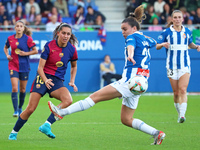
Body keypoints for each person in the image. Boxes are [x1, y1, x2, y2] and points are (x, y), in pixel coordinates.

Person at [48, 5, 166, 145]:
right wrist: (164, 44)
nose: (123, 32)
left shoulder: (132, 37)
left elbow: (130, 47)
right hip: (140, 83)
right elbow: (156, 44)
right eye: (122, 29)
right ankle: (157, 133)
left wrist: (130, 55)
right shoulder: (146, 38)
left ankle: (61, 113)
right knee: (126, 119)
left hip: (130, 81)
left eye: (124, 29)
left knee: (94, 97)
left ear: (133, 28)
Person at [8, 23, 78, 140]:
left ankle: (47, 125)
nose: (66, 36)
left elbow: (74, 66)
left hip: (56, 80)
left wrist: (72, 81)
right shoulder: (49, 46)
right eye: (64, 33)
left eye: (68, 34)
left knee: (68, 100)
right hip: (42, 77)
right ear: (58, 33)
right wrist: (45, 80)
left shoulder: (72, 49)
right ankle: (13, 133)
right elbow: (40, 68)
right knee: (31, 108)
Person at [156, 10, 200, 123]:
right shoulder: (166, 32)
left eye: (179, 17)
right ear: (172, 19)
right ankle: (179, 113)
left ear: (182, 18)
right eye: (175, 17)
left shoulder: (187, 31)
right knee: (176, 93)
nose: (177, 19)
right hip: (171, 66)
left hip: (185, 65)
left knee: (183, 90)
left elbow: (189, 43)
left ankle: (182, 115)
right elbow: (157, 45)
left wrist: (196, 47)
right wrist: (162, 44)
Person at [4, 20, 38, 117]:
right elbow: (5, 48)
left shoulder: (28, 39)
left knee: (22, 89)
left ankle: (20, 107)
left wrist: (26, 53)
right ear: (15, 28)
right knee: (15, 88)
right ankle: (15, 111)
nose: (19, 28)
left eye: (21, 26)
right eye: (17, 26)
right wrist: (7, 55)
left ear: (23, 28)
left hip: (24, 67)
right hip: (13, 65)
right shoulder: (10, 38)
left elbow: (35, 51)